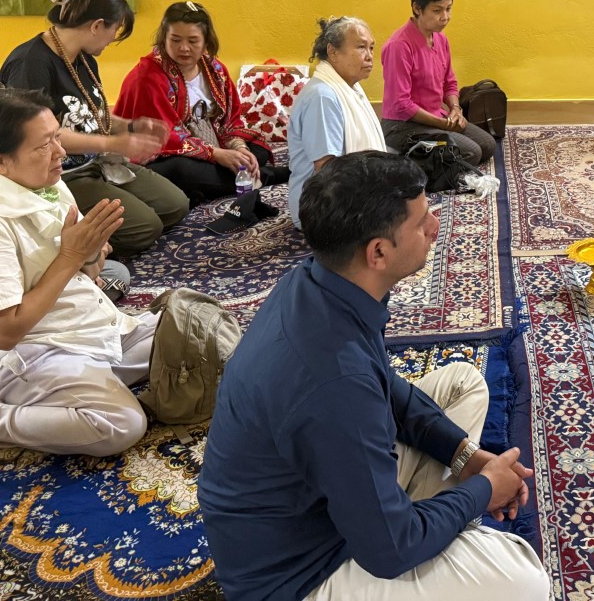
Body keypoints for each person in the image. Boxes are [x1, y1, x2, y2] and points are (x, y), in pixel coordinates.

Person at [199, 151, 549, 600]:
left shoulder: (316, 282)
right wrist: (484, 490)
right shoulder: (334, 381)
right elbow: (390, 550)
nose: (435, 227)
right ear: (378, 252)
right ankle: (428, 532)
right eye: (421, 222)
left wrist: (467, 457)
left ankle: (424, 525)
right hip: (298, 575)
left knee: (462, 384)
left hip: (315, 502)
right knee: (522, 577)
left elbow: (385, 386)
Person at [0, 89, 159, 455]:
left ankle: (90, 384)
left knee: (202, 340)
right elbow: (5, 333)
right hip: (30, 354)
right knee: (121, 424)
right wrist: (71, 256)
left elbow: (86, 275)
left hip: (84, 327)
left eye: (57, 137)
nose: (61, 152)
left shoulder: (43, 183)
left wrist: (90, 255)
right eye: (44, 145)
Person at [0, 0, 189, 255]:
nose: (112, 40)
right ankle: (76, 246)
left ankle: (99, 222)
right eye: (115, 30)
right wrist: (114, 143)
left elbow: (91, 112)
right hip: (58, 174)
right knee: (146, 228)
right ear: (97, 25)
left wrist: (131, 126)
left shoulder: (84, 58)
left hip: (97, 161)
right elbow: (38, 137)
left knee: (176, 205)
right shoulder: (30, 63)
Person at [115, 1, 279, 205]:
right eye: (175, 40)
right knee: (182, 170)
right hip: (162, 156)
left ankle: (218, 182)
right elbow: (164, 137)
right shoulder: (147, 77)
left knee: (256, 151)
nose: (184, 48)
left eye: (193, 41)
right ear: (164, 38)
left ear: (206, 41)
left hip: (209, 141)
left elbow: (230, 121)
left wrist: (239, 149)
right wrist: (215, 154)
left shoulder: (215, 70)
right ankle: (267, 175)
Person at [380, 0, 496, 164]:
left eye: (448, 9)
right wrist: (444, 125)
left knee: (488, 145)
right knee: (472, 153)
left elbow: (450, 83)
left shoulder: (441, 39)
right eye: (437, 10)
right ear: (417, 8)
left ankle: (428, 151)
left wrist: (456, 110)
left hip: (435, 117)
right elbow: (402, 104)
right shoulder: (399, 46)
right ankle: (401, 160)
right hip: (402, 126)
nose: (445, 17)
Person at [288, 17, 387, 230]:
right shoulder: (322, 97)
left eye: (371, 48)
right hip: (320, 208)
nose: (369, 56)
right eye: (361, 47)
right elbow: (326, 170)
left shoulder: (349, 88)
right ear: (332, 52)